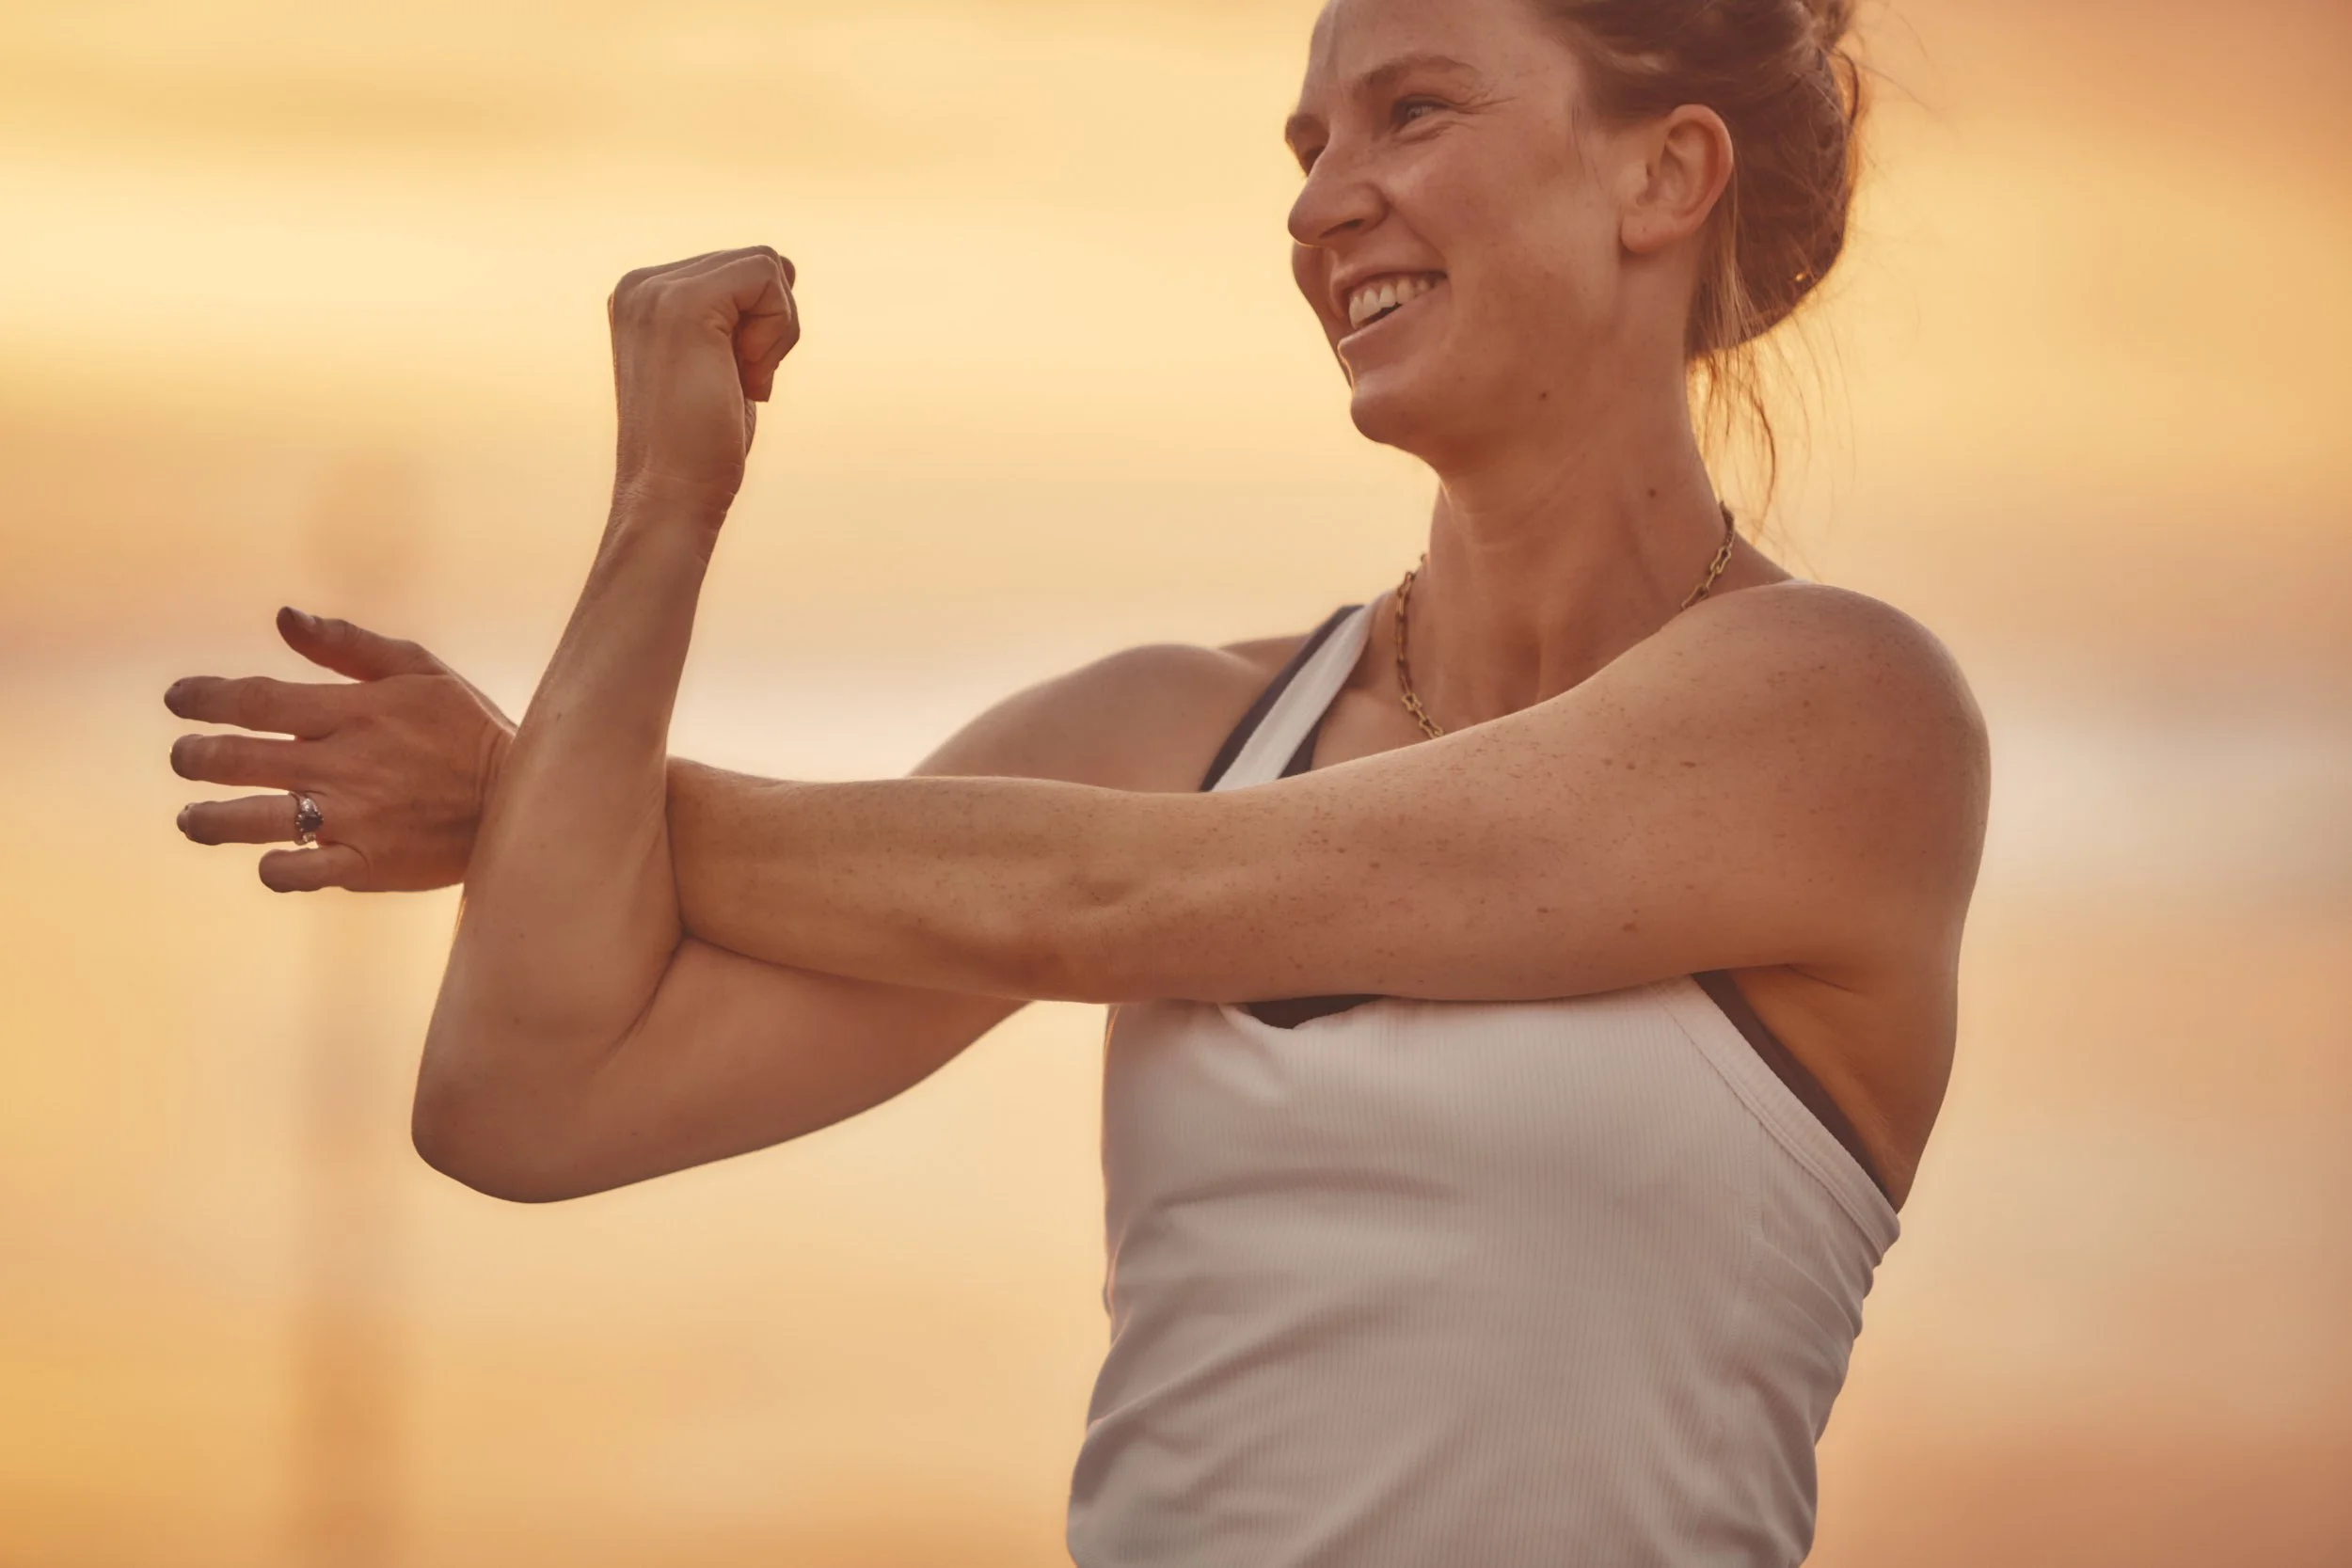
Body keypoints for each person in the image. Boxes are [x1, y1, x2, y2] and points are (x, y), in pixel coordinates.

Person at [165, 0, 1990, 1560]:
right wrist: (664, 506)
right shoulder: (1154, 736)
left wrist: (516, 794)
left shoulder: (1836, 717)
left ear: (1658, 176)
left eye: (1411, 109)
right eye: (1306, 138)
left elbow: (1126, 898)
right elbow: (528, 1093)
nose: (1317, 196)